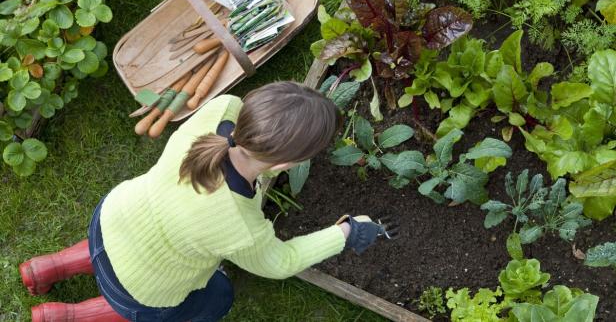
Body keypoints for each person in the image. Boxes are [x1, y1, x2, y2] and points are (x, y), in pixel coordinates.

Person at [19, 82, 388, 322]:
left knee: (119, 246)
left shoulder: (221, 110)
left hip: (112, 218)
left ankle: (45, 268)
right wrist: (345, 233)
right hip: (137, 286)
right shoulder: (241, 227)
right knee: (217, 297)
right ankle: (61, 317)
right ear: (285, 166)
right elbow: (282, 262)